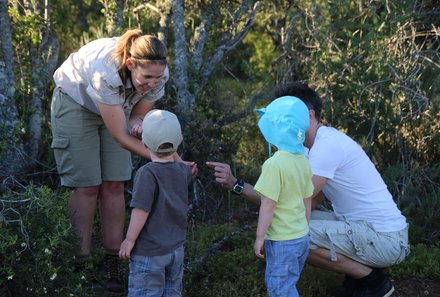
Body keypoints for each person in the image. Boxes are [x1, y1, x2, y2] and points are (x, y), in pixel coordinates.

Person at [207, 82, 409, 297]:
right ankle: (361, 277)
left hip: (387, 240)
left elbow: (284, 200)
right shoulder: (304, 148)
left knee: (291, 233)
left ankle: (373, 281)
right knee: (291, 223)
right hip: (364, 229)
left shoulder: (327, 145)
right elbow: (310, 201)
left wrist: (236, 185)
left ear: (309, 115)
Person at [51, 29, 196, 293]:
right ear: (130, 65)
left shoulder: (158, 75)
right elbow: (120, 136)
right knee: (87, 186)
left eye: (157, 77)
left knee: (115, 183)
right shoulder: (105, 72)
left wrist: (175, 159)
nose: (153, 83)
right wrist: (171, 162)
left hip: (117, 107)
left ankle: (113, 261)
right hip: (76, 103)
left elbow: (136, 121)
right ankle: (80, 263)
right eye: (147, 77)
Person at [119, 109, 192, 297]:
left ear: (143, 143)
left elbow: (141, 210)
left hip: (149, 253)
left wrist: (129, 239)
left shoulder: (147, 173)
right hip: (176, 250)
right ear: (180, 140)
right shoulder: (183, 171)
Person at [252, 96, 314, 297]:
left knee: (281, 290)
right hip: (301, 237)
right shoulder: (303, 161)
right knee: (289, 284)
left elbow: (268, 204)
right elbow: (308, 198)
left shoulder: (274, 164)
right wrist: (303, 226)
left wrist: (260, 237)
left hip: (281, 241)